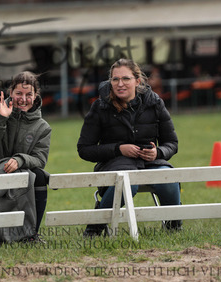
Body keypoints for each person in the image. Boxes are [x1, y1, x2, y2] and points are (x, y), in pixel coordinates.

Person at [77, 58, 182, 236]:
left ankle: (174, 228)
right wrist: (118, 149)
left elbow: (172, 143)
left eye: (126, 78)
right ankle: (94, 229)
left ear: (137, 81)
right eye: (115, 79)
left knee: (168, 178)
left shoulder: (155, 102)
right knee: (127, 183)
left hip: (151, 163)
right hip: (114, 165)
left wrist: (157, 152)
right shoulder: (100, 106)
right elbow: (84, 149)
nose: (120, 84)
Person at [0, 71, 52, 242]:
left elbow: (40, 159)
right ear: (11, 92)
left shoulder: (43, 127)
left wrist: (20, 160)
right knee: (24, 176)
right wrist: (1, 119)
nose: (23, 99)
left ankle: (31, 235)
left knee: (38, 175)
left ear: (35, 95)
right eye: (19, 93)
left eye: (29, 94)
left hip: (22, 173)